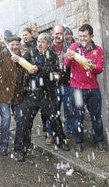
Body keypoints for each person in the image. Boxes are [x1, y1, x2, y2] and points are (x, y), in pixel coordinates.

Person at [16, 33, 70, 162]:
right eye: (39, 41)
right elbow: (21, 65)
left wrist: (37, 69)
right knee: (24, 121)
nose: (40, 44)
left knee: (54, 118)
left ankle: (61, 141)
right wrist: (19, 61)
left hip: (46, 92)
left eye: (43, 41)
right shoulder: (31, 52)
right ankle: (21, 149)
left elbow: (50, 69)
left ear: (48, 43)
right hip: (31, 92)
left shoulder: (51, 55)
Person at [64, 24, 106, 152]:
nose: (82, 39)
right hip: (76, 88)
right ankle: (79, 141)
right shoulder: (74, 47)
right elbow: (66, 64)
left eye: (85, 36)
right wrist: (69, 58)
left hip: (93, 89)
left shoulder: (98, 50)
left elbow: (99, 69)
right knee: (78, 116)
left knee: (96, 117)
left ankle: (99, 141)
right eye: (80, 36)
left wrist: (91, 66)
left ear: (91, 36)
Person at [0, 30, 25, 156]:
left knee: (20, 119)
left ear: (19, 45)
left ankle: (18, 147)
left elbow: (28, 70)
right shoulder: (2, 54)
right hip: (3, 94)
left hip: (17, 95)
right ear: (8, 45)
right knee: (6, 119)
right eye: (12, 44)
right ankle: (3, 145)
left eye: (16, 45)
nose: (14, 47)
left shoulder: (22, 56)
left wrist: (20, 61)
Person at [46, 24, 75, 144]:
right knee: (53, 110)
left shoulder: (68, 46)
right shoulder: (48, 49)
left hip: (67, 83)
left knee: (69, 109)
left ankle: (70, 132)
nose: (59, 36)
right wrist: (51, 73)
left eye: (61, 33)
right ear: (53, 34)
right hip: (53, 85)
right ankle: (50, 133)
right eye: (56, 33)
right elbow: (45, 66)